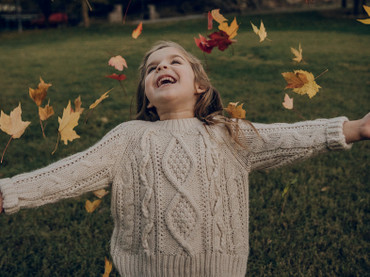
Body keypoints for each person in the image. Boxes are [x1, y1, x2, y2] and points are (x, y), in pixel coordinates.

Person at [0, 41, 369, 277]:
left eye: (174, 61)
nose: (162, 67)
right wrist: (10, 191)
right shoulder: (130, 137)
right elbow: (70, 173)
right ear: (146, 95)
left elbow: (288, 138)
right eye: (152, 67)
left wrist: (354, 129)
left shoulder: (227, 133)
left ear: (199, 86)